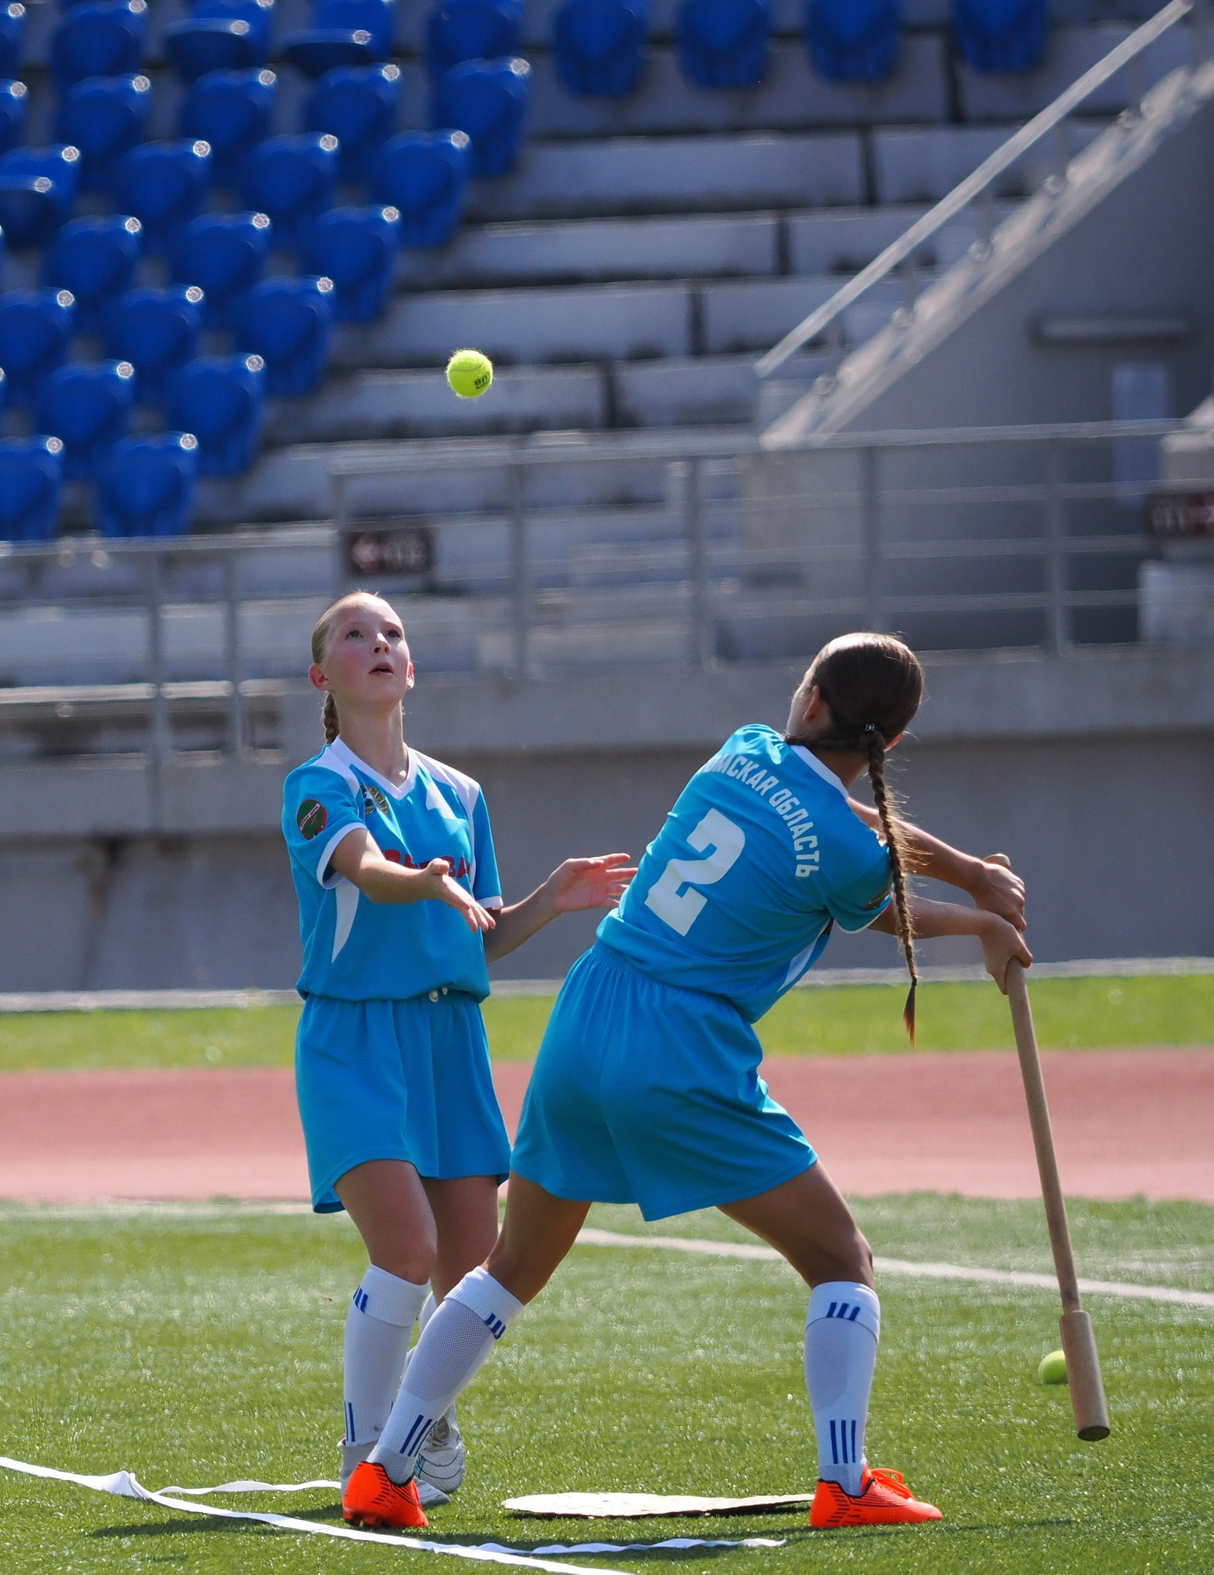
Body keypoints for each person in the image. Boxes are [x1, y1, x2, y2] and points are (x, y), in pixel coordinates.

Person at [340, 632, 1032, 1533]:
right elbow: (877, 887)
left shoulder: (746, 750)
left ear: (812, 700)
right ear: (889, 744)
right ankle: (845, 1480)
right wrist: (978, 915)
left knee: (510, 1265)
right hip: (679, 1043)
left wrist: (975, 876)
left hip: (589, 1007)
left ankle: (386, 1470)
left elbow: (845, 822)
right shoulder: (846, 847)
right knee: (840, 1260)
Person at [284, 593, 636, 1506]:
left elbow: (476, 937)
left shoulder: (461, 793)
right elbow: (368, 870)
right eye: (355, 635)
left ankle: (419, 1424)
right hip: (355, 1037)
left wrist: (550, 899)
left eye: (393, 632)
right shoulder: (317, 786)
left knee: (475, 1279)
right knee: (406, 1248)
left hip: (451, 1040)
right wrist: (422, 878)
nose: (380, 644)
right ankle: (369, 1452)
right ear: (324, 675)